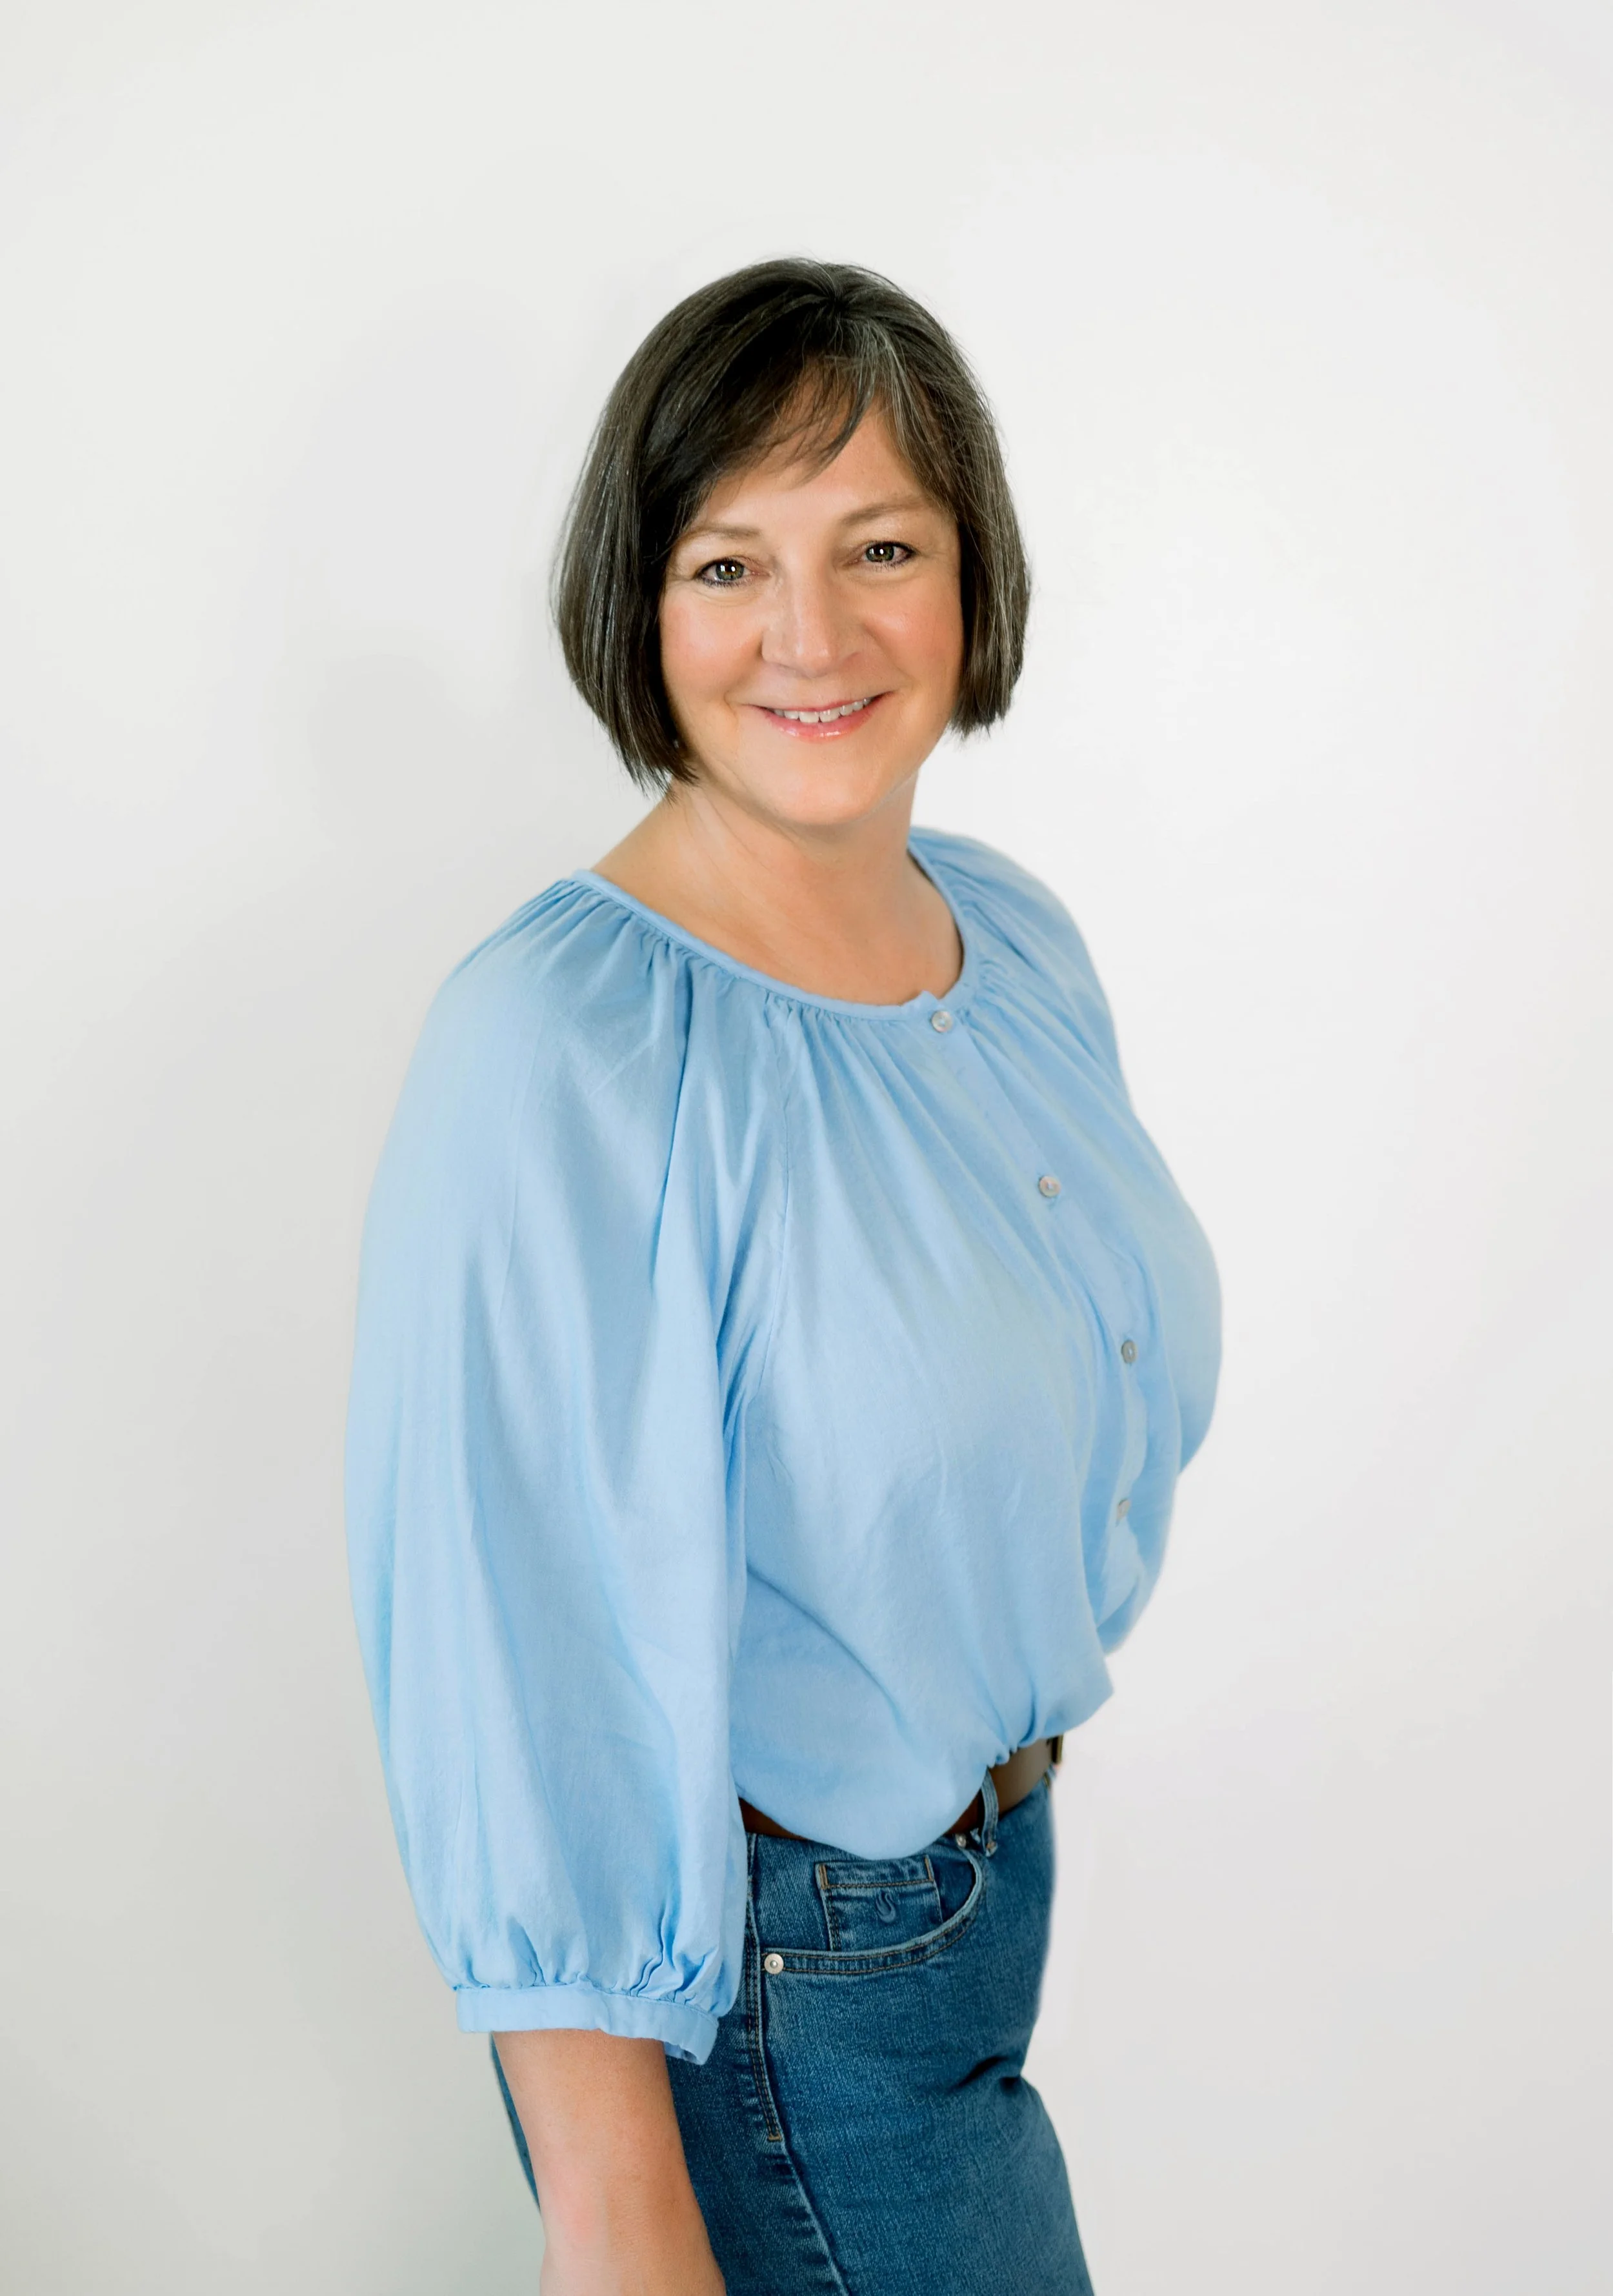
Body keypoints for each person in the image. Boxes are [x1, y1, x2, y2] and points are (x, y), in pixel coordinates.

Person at [346, 257, 1221, 2296]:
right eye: (728, 563)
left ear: (970, 577)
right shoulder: (562, 1043)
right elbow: (513, 1650)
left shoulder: (1007, 939)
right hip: (769, 2001)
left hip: (974, 1909)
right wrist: (617, 2213)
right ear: (638, 607)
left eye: (880, 547)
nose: (810, 635)